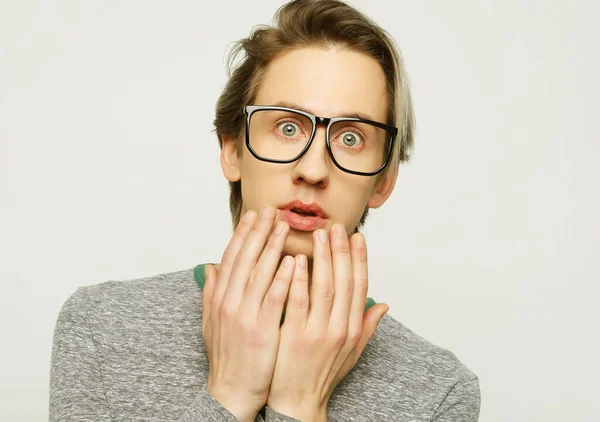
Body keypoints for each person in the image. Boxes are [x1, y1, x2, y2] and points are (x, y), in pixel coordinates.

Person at [49, 0, 480, 420]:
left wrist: (300, 407)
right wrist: (230, 394)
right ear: (233, 150)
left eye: (351, 138)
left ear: (383, 180)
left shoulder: (440, 393)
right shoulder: (102, 327)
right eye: (288, 127)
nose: (313, 169)